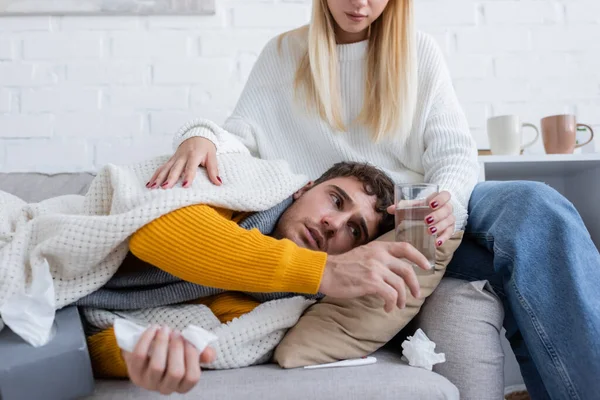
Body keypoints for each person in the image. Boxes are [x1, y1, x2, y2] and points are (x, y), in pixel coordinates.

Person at [148, 0, 600, 399]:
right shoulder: (284, 54)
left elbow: (455, 152)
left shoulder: (417, 51)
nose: (362, 3)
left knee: (538, 209)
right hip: (357, 231)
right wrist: (200, 135)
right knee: (527, 267)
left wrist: (447, 200)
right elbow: (242, 138)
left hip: (425, 210)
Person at [81, 161, 433, 395]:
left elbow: (89, 351)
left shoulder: (263, 314)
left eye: (354, 231)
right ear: (303, 188)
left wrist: (135, 357)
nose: (334, 224)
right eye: (336, 201)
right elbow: (154, 231)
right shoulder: (238, 187)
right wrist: (322, 271)